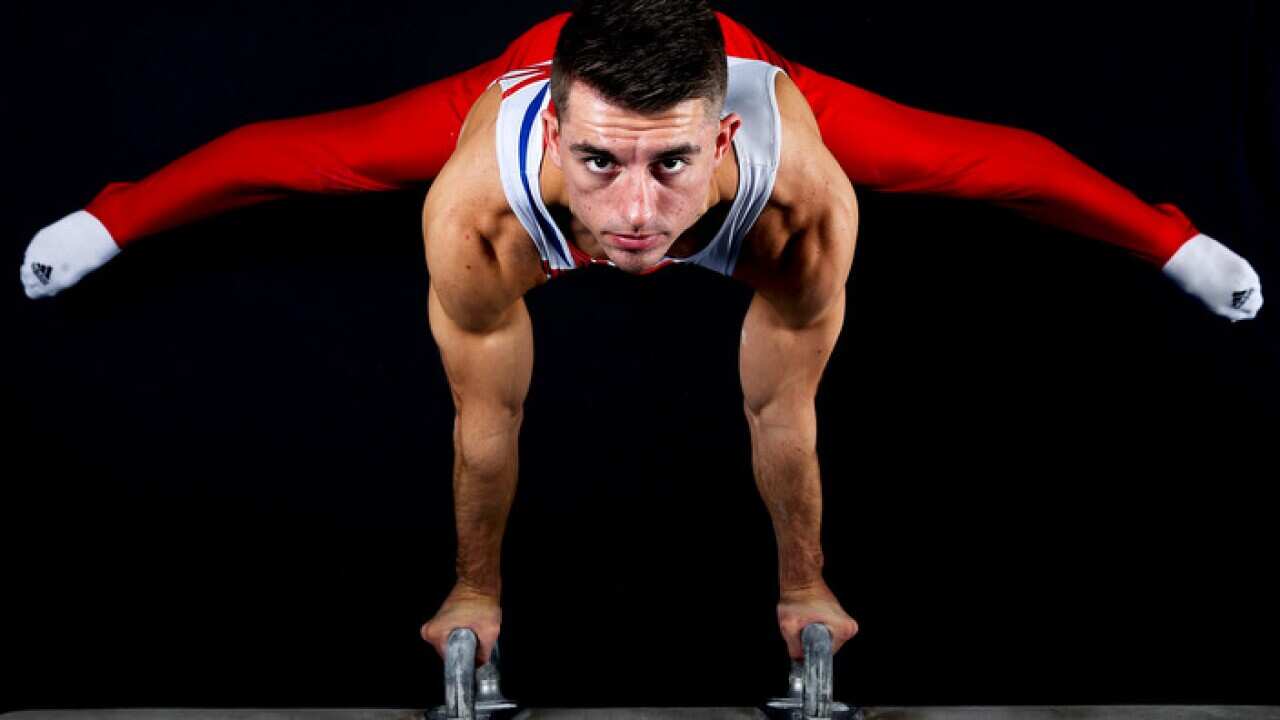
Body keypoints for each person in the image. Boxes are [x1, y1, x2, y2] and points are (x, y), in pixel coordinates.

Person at [18, 0, 1264, 671]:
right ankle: (114, 218)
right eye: (602, 165)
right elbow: (486, 417)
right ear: (552, 135)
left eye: (671, 166)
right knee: (309, 156)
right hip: (528, 70)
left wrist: (802, 586)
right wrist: (473, 589)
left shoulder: (792, 189)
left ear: (723, 139)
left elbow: (780, 409)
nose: (632, 216)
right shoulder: (483, 200)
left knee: (982, 166)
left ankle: (1170, 236)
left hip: (745, 67)